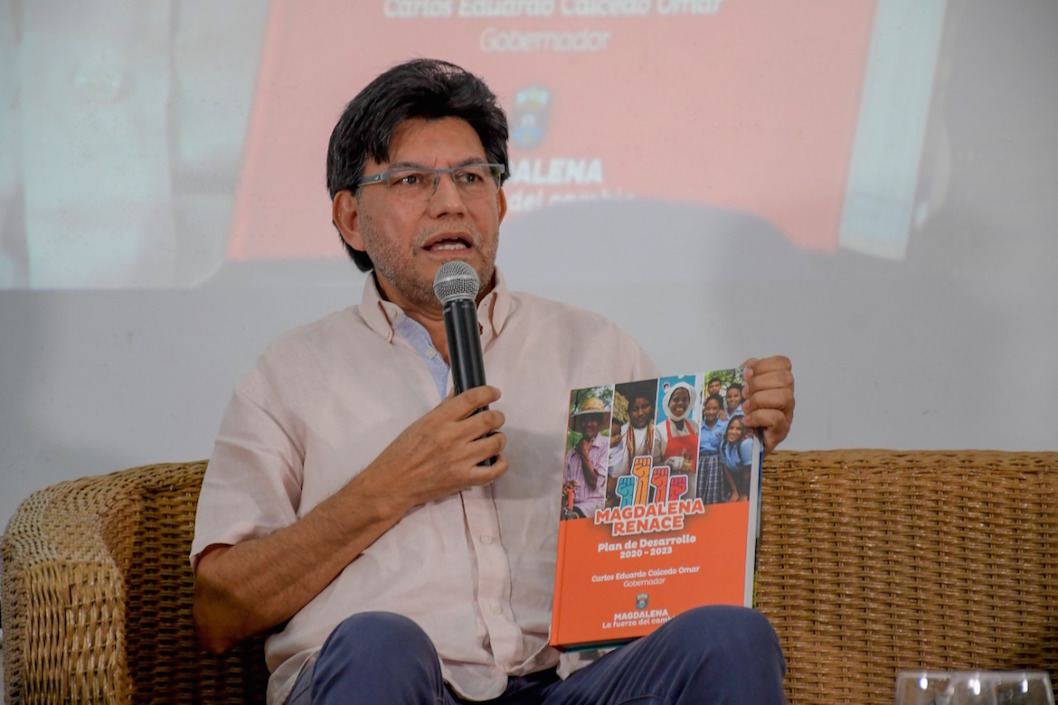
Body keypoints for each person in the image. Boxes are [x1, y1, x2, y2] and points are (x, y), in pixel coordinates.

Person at [191, 58, 796, 705]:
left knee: (729, 637)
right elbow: (221, 609)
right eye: (412, 179)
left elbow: (669, 552)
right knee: (378, 642)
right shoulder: (287, 376)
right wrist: (393, 483)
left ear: (500, 204)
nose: (450, 201)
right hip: (395, 682)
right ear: (349, 218)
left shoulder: (595, 348)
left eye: (471, 177)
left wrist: (737, 438)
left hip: (572, 685)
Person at [562, 396, 611, 518]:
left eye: (593, 419)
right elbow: (563, 484)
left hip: (594, 506)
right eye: (585, 420)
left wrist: (584, 454)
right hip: (570, 506)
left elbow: (595, 483)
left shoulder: (606, 446)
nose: (588, 424)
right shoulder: (571, 453)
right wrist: (565, 487)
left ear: (599, 423)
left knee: (574, 514)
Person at [651, 381, 700, 492]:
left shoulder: (694, 425)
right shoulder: (658, 431)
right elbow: (653, 467)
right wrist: (674, 464)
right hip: (669, 487)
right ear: (668, 402)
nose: (681, 403)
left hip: (693, 486)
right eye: (676, 399)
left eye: (685, 399)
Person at [696, 393, 730, 504]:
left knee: (715, 492)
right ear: (704, 409)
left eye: (714, 408)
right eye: (708, 408)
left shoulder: (725, 426)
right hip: (701, 462)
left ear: (719, 409)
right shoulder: (698, 427)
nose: (711, 412)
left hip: (717, 462)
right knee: (699, 491)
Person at [719, 416, 755, 502]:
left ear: (744, 431)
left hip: (749, 484)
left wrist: (743, 494)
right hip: (735, 483)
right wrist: (734, 491)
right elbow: (726, 468)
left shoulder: (746, 444)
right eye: (731, 428)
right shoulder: (723, 444)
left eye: (738, 429)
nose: (733, 432)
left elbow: (748, 472)